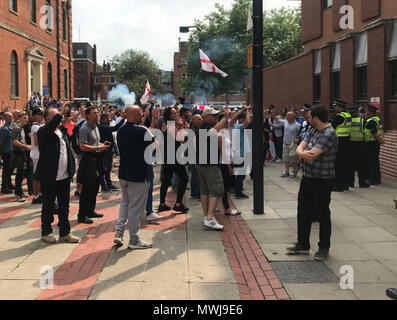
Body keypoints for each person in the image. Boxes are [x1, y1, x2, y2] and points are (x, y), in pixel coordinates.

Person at [288, 105, 338, 261]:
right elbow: (300, 147)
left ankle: (323, 248)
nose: (307, 120)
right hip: (308, 178)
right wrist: (303, 152)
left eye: (309, 117)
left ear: (316, 118)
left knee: (322, 213)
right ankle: (303, 244)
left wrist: (303, 153)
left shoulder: (328, 133)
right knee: (303, 211)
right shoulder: (314, 130)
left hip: (322, 180)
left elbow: (312, 155)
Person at [36, 106, 80, 244]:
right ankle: (46, 231)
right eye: (55, 116)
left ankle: (65, 233)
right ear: (48, 118)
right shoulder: (43, 131)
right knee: (48, 205)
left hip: (64, 176)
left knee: (64, 205)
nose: (59, 117)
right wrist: (60, 114)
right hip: (50, 176)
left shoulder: (61, 131)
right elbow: (51, 127)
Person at [114, 105, 155, 249]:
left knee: (125, 203)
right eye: (140, 114)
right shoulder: (141, 131)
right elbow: (154, 142)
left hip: (124, 173)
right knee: (135, 209)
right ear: (137, 115)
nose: (141, 115)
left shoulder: (120, 130)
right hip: (139, 175)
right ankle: (134, 239)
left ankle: (119, 232)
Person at [196, 107, 230, 231]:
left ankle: (206, 216)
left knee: (205, 191)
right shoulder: (205, 126)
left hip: (202, 163)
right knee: (217, 189)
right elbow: (213, 132)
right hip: (209, 164)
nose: (216, 117)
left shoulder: (204, 125)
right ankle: (210, 218)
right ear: (207, 116)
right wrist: (225, 117)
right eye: (214, 115)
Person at [77, 107, 110, 224]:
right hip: (88, 160)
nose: (97, 114)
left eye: (97, 112)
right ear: (88, 116)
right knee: (87, 188)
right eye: (94, 113)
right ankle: (82, 214)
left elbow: (95, 143)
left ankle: (90, 210)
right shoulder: (84, 128)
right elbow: (82, 146)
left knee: (95, 187)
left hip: (96, 159)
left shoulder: (96, 126)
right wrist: (98, 147)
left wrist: (102, 145)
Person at [158, 107, 189, 214]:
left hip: (168, 156)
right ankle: (178, 204)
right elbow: (181, 139)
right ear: (168, 115)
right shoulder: (170, 125)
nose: (176, 114)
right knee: (184, 178)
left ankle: (162, 204)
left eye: (176, 112)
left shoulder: (165, 124)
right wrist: (182, 128)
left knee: (166, 181)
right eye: (173, 113)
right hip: (173, 157)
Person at [98, 110, 125, 192]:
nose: (110, 119)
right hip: (105, 151)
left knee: (108, 168)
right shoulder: (103, 126)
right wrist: (123, 119)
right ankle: (105, 186)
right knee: (104, 169)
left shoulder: (104, 125)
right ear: (104, 119)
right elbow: (115, 128)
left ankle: (109, 184)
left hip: (108, 150)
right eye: (108, 117)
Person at [331, 100, 351, 192]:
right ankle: (345, 184)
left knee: (338, 164)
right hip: (346, 140)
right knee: (345, 164)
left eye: (335, 106)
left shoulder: (339, 116)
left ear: (340, 106)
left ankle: (338, 186)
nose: (334, 107)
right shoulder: (348, 115)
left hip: (339, 141)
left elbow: (332, 127)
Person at [11, 112, 31, 202]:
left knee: (22, 173)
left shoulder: (22, 128)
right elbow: (14, 142)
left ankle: (18, 191)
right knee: (19, 174)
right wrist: (25, 146)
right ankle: (18, 194)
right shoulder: (16, 128)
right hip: (18, 154)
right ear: (19, 118)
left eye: (26, 118)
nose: (26, 119)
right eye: (24, 118)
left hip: (22, 153)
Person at [348, 104, 369, 188]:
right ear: (356, 111)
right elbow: (366, 130)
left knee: (350, 165)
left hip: (350, 144)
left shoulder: (347, 119)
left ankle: (350, 183)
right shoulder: (362, 119)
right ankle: (362, 182)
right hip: (360, 143)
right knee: (361, 165)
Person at [363, 104, 384, 186]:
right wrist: (380, 140)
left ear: (370, 112)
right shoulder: (377, 119)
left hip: (371, 143)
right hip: (374, 143)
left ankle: (373, 179)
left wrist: (379, 140)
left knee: (371, 162)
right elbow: (381, 130)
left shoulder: (371, 121)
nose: (365, 112)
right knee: (375, 161)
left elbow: (374, 133)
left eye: (366, 110)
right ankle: (377, 178)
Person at [234, 108, 251, 199]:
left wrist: (244, 110)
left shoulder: (236, 125)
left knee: (240, 174)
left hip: (240, 153)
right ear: (242, 119)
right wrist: (247, 111)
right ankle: (238, 192)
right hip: (241, 153)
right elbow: (248, 122)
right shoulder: (239, 126)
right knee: (241, 174)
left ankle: (238, 190)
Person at [278, 111, 301, 178]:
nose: (286, 117)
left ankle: (294, 172)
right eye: (286, 115)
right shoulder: (285, 122)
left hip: (293, 145)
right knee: (286, 159)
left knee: (294, 160)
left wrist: (297, 139)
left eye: (288, 115)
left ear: (292, 117)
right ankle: (287, 171)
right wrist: (272, 113)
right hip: (285, 143)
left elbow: (300, 134)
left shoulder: (297, 125)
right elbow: (277, 119)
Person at [30, 107, 45, 204]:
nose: (42, 116)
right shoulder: (36, 127)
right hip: (37, 154)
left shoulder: (37, 126)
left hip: (37, 154)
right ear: (35, 116)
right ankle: (36, 196)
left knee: (39, 176)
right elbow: (36, 142)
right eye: (40, 114)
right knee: (37, 177)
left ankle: (39, 194)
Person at [0, 112, 14, 194]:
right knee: (6, 170)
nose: (11, 118)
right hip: (6, 152)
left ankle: (8, 184)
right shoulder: (4, 129)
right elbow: (2, 142)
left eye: (11, 116)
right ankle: (4, 187)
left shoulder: (9, 127)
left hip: (9, 152)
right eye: (9, 117)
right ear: (5, 118)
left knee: (9, 170)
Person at [189, 114, 202, 199]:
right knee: (195, 173)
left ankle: (196, 191)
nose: (201, 120)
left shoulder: (197, 128)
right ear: (193, 120)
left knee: (196, 173)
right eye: (199, 119)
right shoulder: (192, 130)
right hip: (193, 154)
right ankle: (195, 192)